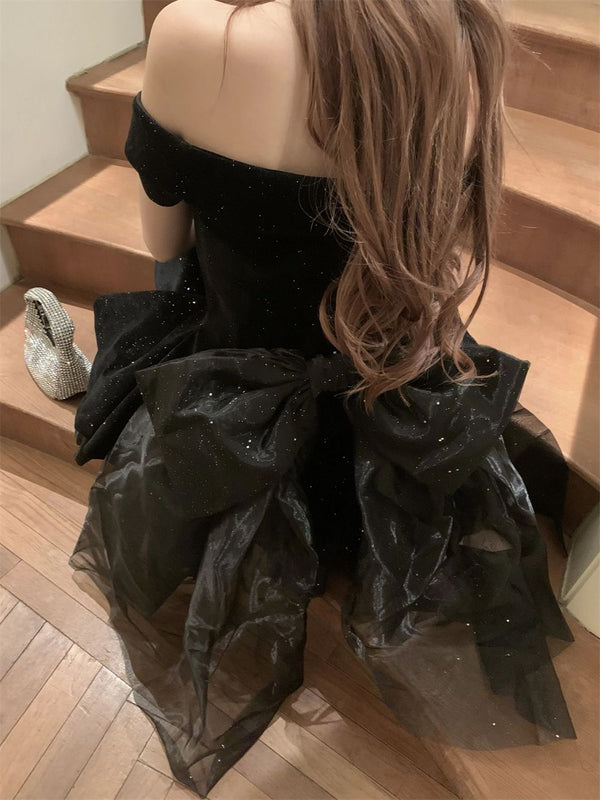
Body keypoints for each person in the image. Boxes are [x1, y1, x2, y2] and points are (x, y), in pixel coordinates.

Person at [69, 0, 576, 796]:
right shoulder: (452, 34)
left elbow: (162, 242)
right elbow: (433, 255)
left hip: (239, 390)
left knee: (177, 282)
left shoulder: (193, 34)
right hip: (375, 391)